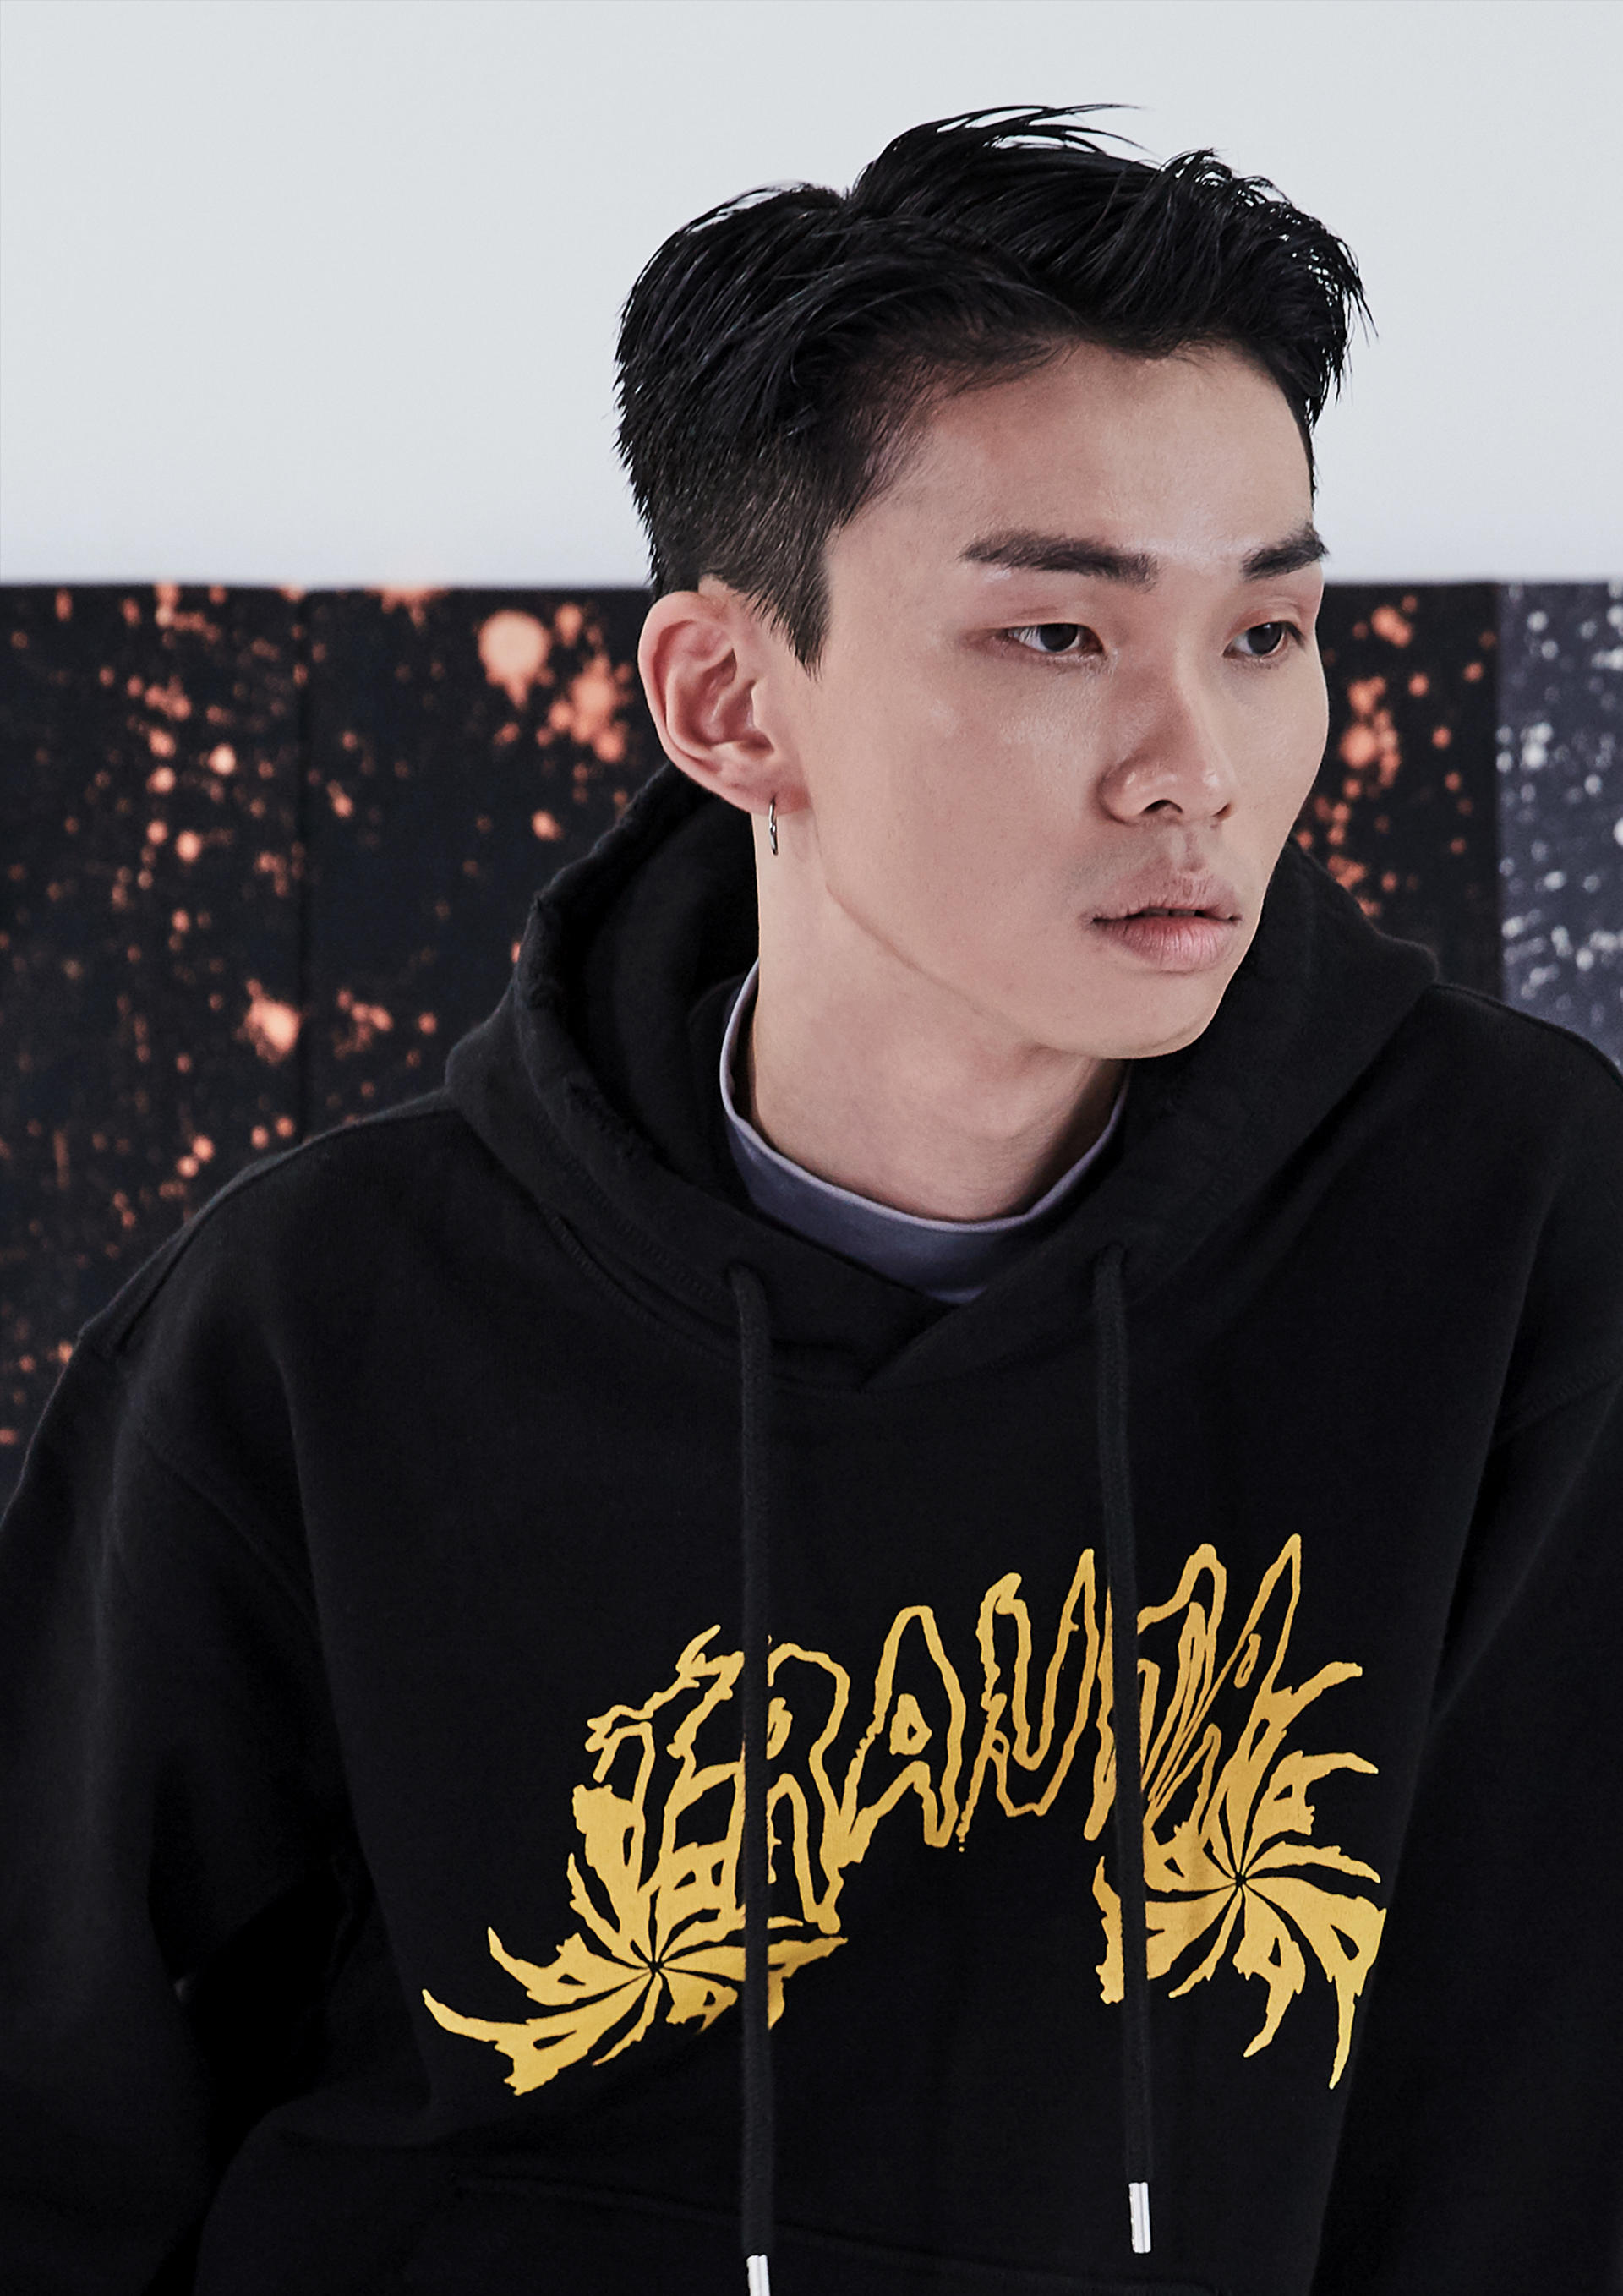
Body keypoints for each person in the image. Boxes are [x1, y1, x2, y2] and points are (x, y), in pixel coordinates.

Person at [2, 106, 1619, 2296]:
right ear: (730, 699)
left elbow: (1536, 2130)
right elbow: (56, 2135)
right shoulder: (313, 1314)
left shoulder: (1515, 1236)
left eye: (1265, 633)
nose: (1196, 767)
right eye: (1057, 636)